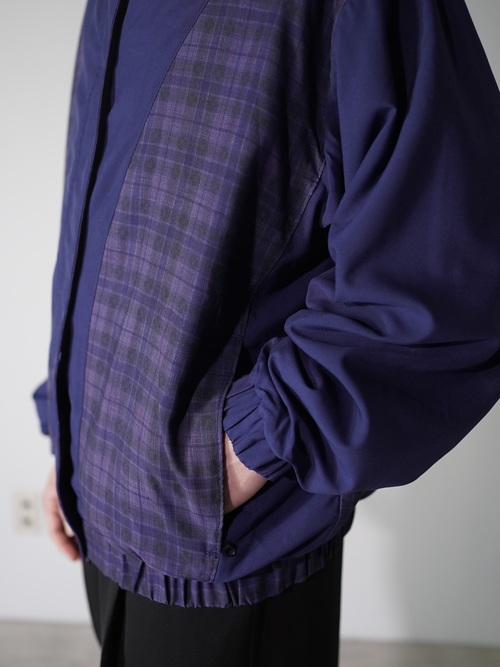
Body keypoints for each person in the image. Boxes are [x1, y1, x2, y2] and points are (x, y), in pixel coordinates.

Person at [34, 0, 500, 665]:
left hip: (226, 540)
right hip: (102, 498)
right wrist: (70, 437)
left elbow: (443, 268)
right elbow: (104, 219)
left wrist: (252, 443)